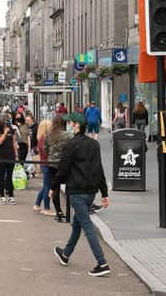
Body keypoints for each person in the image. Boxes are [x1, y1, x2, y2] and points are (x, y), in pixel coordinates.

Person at [52, 112, 111, 277]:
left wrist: (53, 186)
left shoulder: (71, 145)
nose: (69, 125)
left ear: (77, 125)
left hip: (77, 192)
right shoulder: (94, 144)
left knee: (87, 227)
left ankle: (102, 262)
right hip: (91, 192)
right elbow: (99, 169)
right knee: (77, 225)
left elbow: (63, 169)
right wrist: (104, 193)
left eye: (70, 123)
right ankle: (65, 254)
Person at [45, 114, 71, 222]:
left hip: (52, 163)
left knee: (54, 187)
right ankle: (68, 213)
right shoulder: (68, 135)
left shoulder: (49, 135)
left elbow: (44, 148)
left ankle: (59, 212)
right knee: (69, 186)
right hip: (64, 163)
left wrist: (51, 154)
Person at [0, 113, 19, 205]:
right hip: (1, 156)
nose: (7, 121)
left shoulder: (12, 130)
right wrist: (5, 133)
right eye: (5, 120)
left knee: (10, 176)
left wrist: (16, 155)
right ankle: (2, 196)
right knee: (1, 176)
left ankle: (11, 196)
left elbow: (14, 142)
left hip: (10, 155)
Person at [33, 119, 53, 215]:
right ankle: (47, 208)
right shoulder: (46, 139)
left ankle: (37, 205)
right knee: (48, 187)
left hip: (44, 164)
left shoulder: (41, 138)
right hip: (47, 164)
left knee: (46, 186)